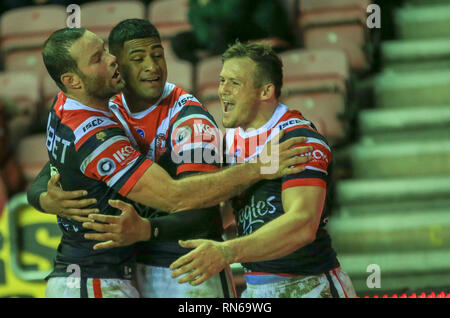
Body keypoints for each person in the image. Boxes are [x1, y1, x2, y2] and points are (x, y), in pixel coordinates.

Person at [28, 26, 310, 298]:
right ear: (117, 65)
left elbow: (202, 212)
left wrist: (147, 230)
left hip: (186, 269)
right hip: (128, 269)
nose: (152, 67)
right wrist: (42, 196)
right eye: (137, 59)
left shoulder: (190, 121)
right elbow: (61, 162)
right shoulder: (100, 112)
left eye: (158, 55)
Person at [168, 41, 357, 298]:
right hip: (257, 288)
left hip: (309, 285)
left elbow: (302, 225)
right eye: (222, 80)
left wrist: (227, 252)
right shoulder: (232, 140)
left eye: (234, 83)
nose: (222, 90)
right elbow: (225, 215)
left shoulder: (297, 138)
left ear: (265, 91)